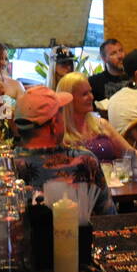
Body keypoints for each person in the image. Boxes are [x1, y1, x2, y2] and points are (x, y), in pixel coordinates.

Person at [11, 86, 116, 217]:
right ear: (55, 124)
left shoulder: (6, 166)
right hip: (79, 237)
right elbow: (108, 215)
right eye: (61, 115)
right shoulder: (84, 161)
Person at [57, 71, 137, 163]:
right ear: (69, 100)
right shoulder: (60, 134)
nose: (91, 97)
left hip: (111, 175)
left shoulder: (101, 124)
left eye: (90, 92)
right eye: (84, 94)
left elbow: (131, 154)